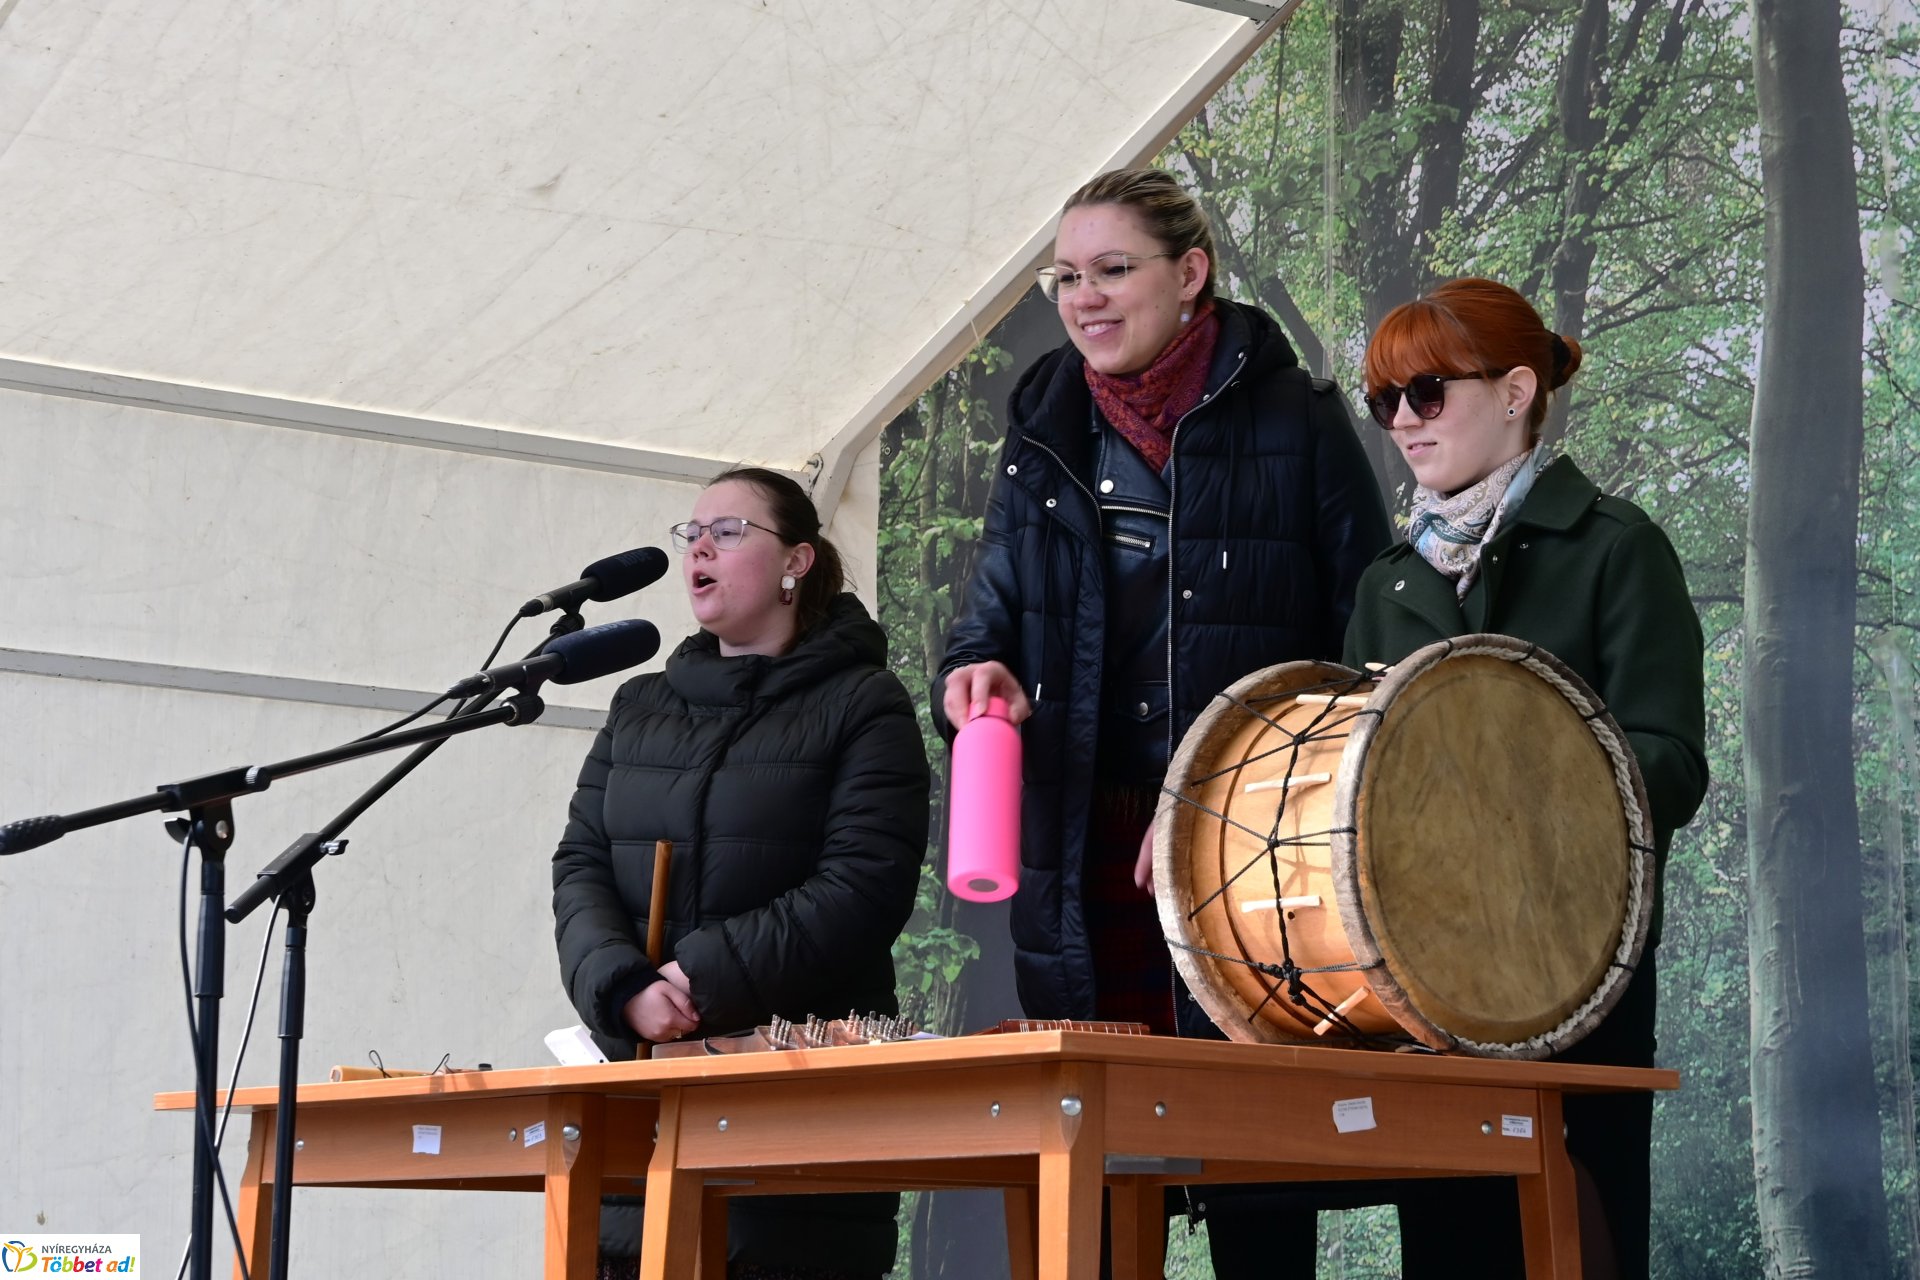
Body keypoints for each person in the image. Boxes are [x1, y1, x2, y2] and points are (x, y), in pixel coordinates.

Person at [933, 167, 1390, 1270]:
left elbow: (1362, 649)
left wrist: (1221, 806)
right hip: (1082, 843)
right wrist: (975, 673)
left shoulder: (1297, 415)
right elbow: (988, 611)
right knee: (1086, 1173)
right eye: (1066, 276)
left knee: (1252, 1169)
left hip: (1243, 844)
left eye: (1112, 270)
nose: (1082, 297)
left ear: (1190, 275)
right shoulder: (1041, 418)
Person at [1339, 277, 1708, 1278]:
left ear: (1515, 390)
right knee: (1452, 1250)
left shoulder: (1618, 550)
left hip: (1576, 980)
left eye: (1426, 392)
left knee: (1577, 1246)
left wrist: (1526, 777)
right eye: (1383, 401)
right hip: (1425, 992)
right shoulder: (1388, 583)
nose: (1403, 421)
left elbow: (1670, 763)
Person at [551, 466, 930, 1280]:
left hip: (797, 1114)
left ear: (796, 561)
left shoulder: (865, 704)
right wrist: (621, 987)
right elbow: (579, 864)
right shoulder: (639, 706)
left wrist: (699, 979)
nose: (700, 549)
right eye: (692, 534)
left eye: (728, 531)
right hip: (641, 1102)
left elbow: (864, 884)